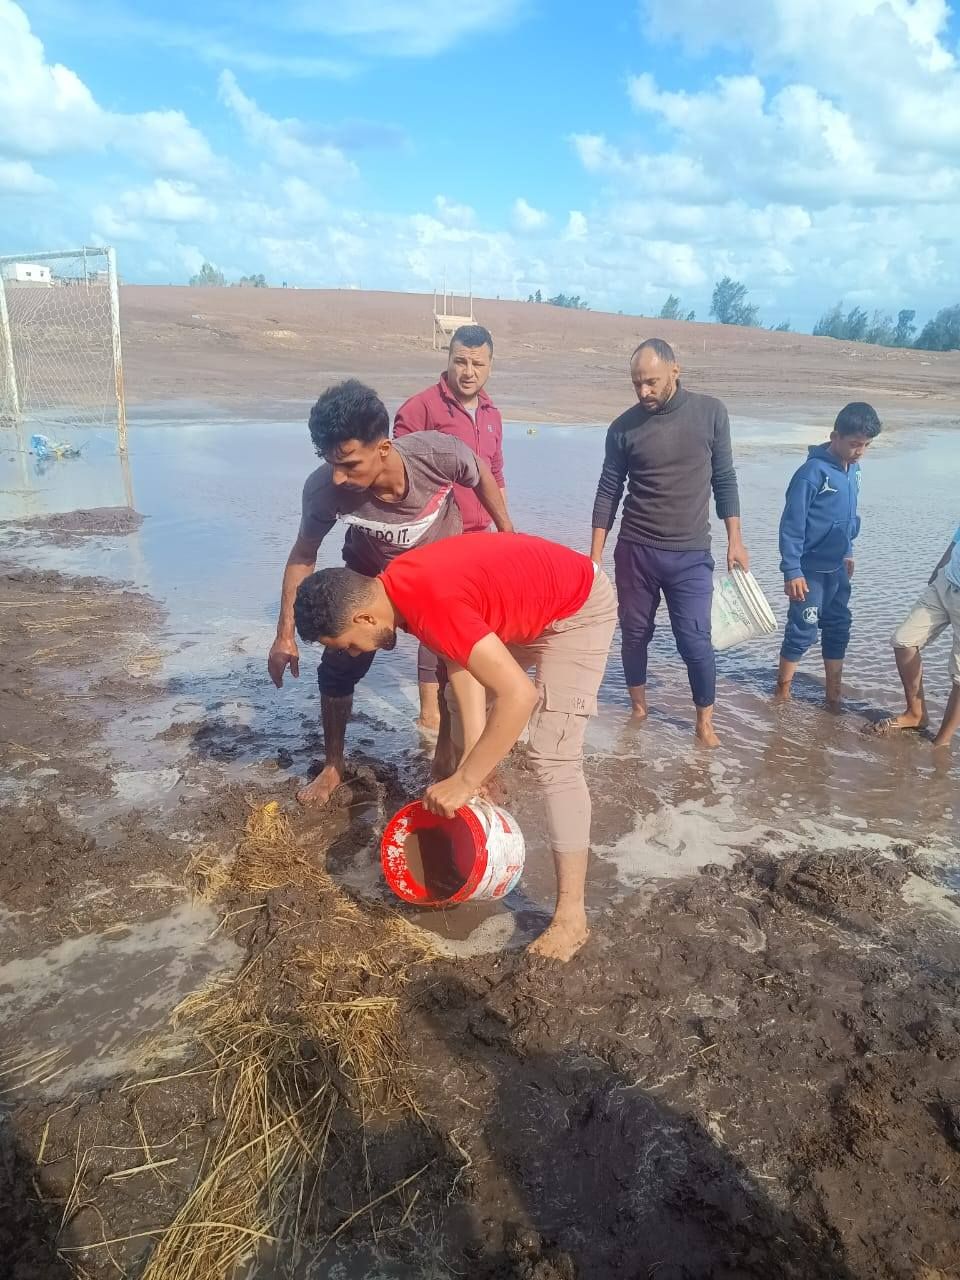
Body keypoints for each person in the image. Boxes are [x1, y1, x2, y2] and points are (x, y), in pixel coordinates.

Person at [293, 533, 618, 962]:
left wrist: (465, 780)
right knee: (454, 700)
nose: (353, 655)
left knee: (553, 756)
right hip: (531, 607)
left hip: (576, 608)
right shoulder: (400, 591)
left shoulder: (430, 602)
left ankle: (571, 918)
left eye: (349, 644)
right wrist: (474, 765)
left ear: (365, 617)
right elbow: (462, 670)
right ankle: (483, 790)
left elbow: (519, 695)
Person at [268, 379, 512, 806]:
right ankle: (332, 766)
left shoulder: (437, 455)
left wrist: (508, 536)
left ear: (383, 448)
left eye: (349, 463)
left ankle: (450, 758)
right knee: (338, 664)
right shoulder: (325, 490)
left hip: (441, 581)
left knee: (455, 671)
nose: (339, 476)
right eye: (330, 463)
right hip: (371, 579)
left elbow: (482, 474)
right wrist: (284, 634)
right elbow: (304, 554)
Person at [589, 338, 749, 748]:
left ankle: (704, 723)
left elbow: (724, 478)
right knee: (634, 633)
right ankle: (638, 709)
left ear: (675, 370)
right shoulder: (622, 428)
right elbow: (608, 490)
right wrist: (594, 557)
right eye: (636, 383)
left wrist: (735, 539)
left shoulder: (711, 413)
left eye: (652, 382)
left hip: (691, 553)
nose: (643, 391)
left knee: (695, 640)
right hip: (636, 550)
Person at [393, 324, 508, 732]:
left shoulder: (492, 415)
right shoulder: (421, 408)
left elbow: (496, 474)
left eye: (478, 364)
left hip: (480, 536)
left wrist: (506, 531)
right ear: (448, 359)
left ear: (490, 366)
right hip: (438, 535)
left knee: (475, 618)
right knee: (436, 621)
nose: (468, 372)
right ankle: (430, 711)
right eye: (460, 361)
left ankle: (468, 701)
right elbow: (399, 474)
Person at [774, 403, 881, 709]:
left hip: (837, 568)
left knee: (838, 626)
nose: (860, 452)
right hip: (808, 570)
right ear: (835, 437)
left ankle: (833, 695)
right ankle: (781, 693)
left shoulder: (853, 470)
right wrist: (792, 570)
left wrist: (848, 550)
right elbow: (791, 525)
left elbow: (849, 515)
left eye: (866, 445)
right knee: (802, 629)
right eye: (855, 444)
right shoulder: (811, 474)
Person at [873, 525, 960, 749]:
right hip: (945, 582)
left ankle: (941, 743)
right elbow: (956, 538)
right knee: (903, 640)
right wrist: (938, 571)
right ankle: (916, 714)